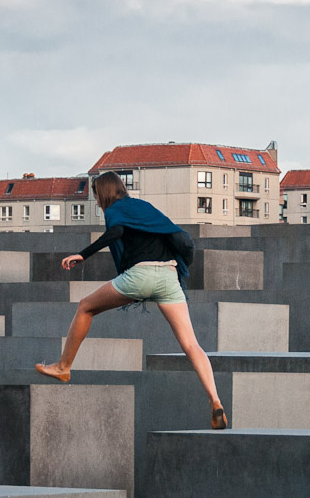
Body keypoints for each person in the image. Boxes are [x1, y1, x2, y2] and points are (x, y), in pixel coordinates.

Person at [35, 172, 228, 430]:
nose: (96, 201)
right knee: (192, 344)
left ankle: (63, 366)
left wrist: (83, 255)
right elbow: (175, 235)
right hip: (169, 276)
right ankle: (215, 400)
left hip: (140, 275)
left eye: (96, 195)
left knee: (85, 308)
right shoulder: (144, 207)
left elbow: (116, 232)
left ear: (103, 193)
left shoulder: (116, 210)